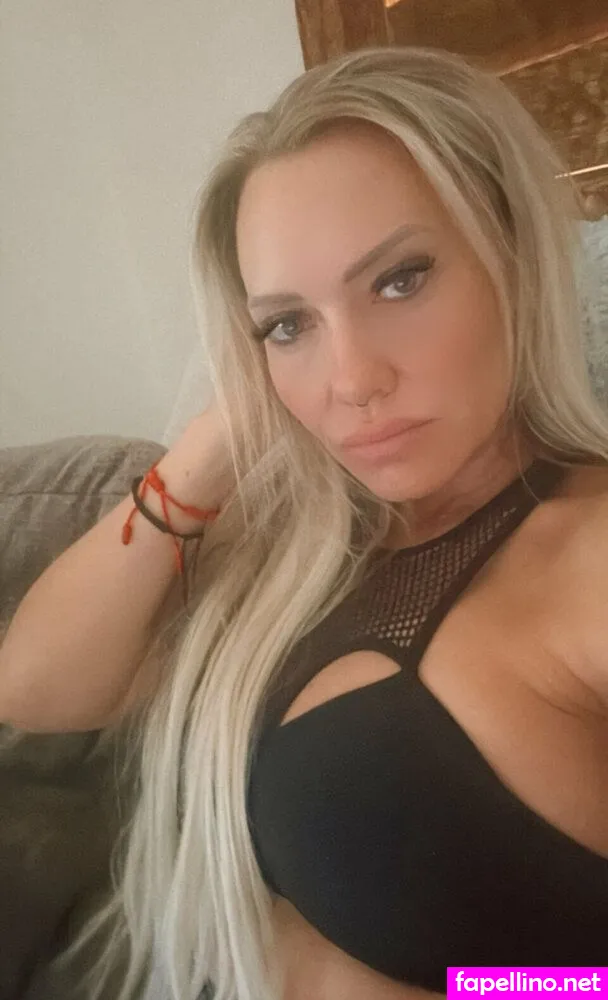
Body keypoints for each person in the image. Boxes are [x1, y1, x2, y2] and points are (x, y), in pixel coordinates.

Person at [1, 43, 607, 1000]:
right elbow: (36, 688)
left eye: (400, 280)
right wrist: (224, 428)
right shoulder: (298, 550)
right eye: (288, 323)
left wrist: (449, 987)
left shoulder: (591, 553)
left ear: (514, 258)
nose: (353, 380)